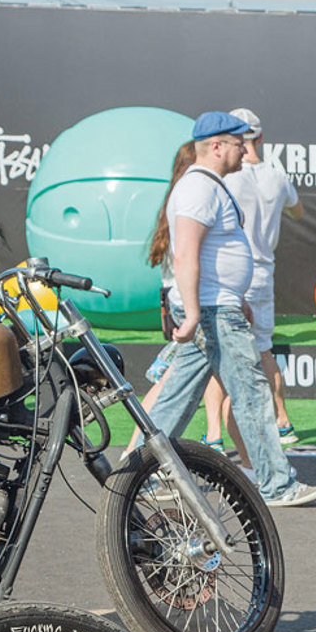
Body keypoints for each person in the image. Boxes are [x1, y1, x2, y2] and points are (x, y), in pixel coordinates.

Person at [147, 111, 316, 507]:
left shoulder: (209, 185)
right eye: (237, 143)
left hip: (218, 307)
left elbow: (209, 255)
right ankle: (277, 484)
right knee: (251, 393)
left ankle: (138, 477)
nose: (245, 151)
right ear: (216, 147)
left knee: (176, 398)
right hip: (212, 312)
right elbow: (186, 256)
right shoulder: (199, 189)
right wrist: (194, 313)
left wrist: (235, 296)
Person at [201, 108, 306, 452]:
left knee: (219, 354)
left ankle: (214, 435)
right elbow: (298, 211)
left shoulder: (225, 178)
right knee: (263, 351)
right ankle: (283, 422)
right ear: (259, 138)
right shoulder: (277, 177)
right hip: (262, 273)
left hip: (230, 276)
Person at [124, 140, 198, 456]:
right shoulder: (188, 202)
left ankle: (135, 452)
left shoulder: (175, 199)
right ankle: (136, 453)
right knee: (168, 385)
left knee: (174, 383)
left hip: (176, 301)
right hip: (184, 302)